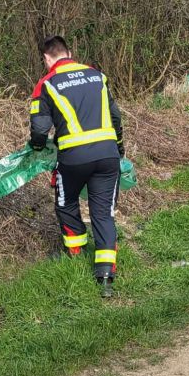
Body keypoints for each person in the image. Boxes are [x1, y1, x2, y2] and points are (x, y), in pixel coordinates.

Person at [30, 35, 124, 297]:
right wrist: (120, 146)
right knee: (103, 213)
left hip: (73, 158)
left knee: (66, 203)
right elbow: (115, 117)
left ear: (47, 59)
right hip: (107, 156)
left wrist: (37, 146)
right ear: (69, 52)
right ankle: (105, 277)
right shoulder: (97, 76)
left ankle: (75, 253)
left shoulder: (47, 83)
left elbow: (39, 128)